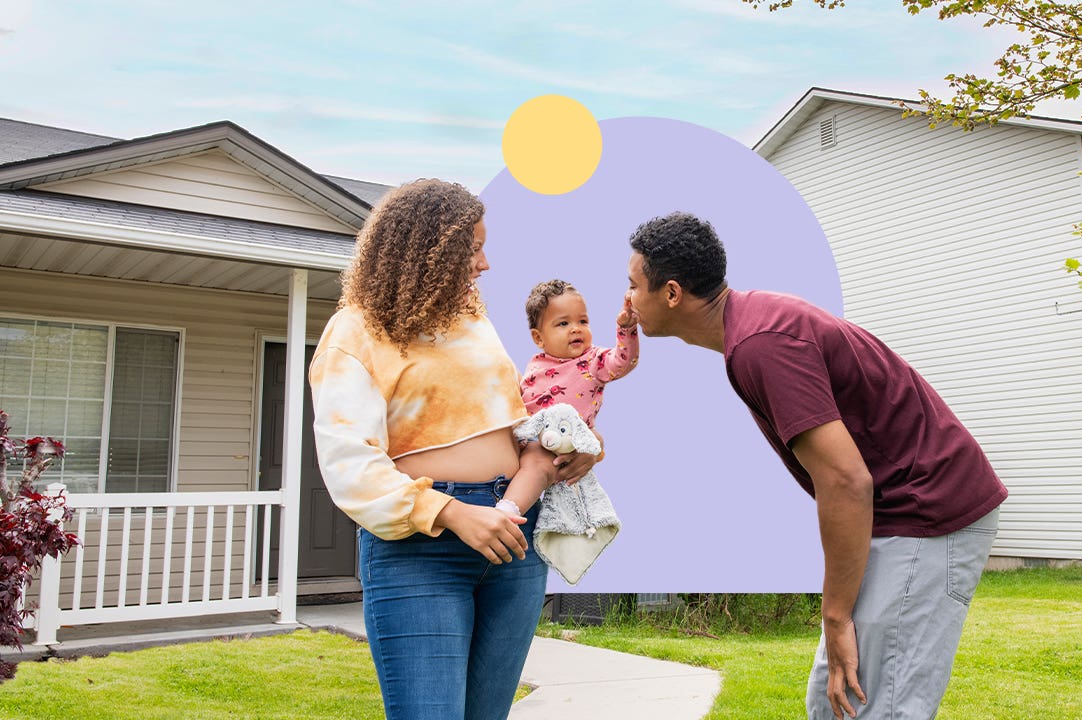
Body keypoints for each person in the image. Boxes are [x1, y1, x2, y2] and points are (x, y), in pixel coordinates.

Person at [624, 212, 1008, 720]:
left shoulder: (762, 343)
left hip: (927, 513)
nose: (627, 299)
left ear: (671, 293)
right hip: (894, 512)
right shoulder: (752, 327)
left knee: (879, 706)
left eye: (632, 286)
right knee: (834, 703)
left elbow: (846, 480)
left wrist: (836, 614)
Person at [308, 179, 595, 720]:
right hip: (422, 549)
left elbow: (510, 418)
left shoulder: (473, 324)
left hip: (513, 539)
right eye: (472, 249)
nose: (485, 263)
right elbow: (349, 462)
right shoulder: (356, 331)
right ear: (426, 252)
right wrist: (454, 513)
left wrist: (565, 451)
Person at [494, 278, 639, 517]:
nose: (576, 328)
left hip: (557, 442)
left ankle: (507, 511)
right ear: (539, 338)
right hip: (525, 435)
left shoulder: (594, 361)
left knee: (537, 467)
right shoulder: (536, 363)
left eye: (583, 321)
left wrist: (626, 330)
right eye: (563, 323)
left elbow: (624, 362)